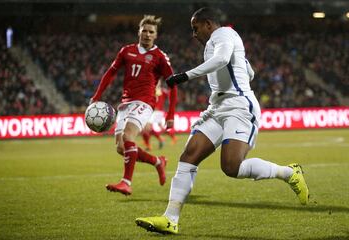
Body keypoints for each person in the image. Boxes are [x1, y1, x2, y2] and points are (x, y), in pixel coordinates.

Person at [135, 7, 309, 234]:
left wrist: (185, 75)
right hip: (217, 109)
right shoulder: (211, 45)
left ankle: (289, 173)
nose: (193, 34)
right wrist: (241, 65)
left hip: (239, 107)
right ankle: (170, 218)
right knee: (188, 156)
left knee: (231, 167)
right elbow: (249, 71)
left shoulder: (224, 34)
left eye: (195, 28)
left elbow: (223, 59)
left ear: (208, 24)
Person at [90, 15, 177, 196]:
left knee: (129, 135)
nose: (147, 34)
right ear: (139, 32)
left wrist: (170, 115)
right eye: (144, 30)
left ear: (156, 35)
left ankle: (126, 182)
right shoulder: (126, 51)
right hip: (125, 103)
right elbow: (110, 73)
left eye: (151, 32)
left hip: (145, 102)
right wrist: (97, 95)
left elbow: (173, 85)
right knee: (121, 148)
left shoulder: (160, 57)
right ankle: (157, 161)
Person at [142, 80, 177, 151]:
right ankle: (168, 138)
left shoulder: (160, 91)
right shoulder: (153, 90)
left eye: (158, 82)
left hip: (156, 112)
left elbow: (171, 95)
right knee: (156, 127)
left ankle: (153, 142)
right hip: (153, 111)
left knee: (146, 128)